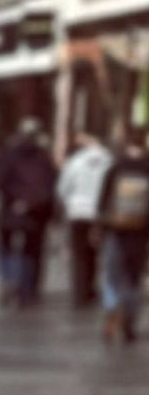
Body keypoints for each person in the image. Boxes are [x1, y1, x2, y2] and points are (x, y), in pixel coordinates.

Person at [0, 118, 59, 306]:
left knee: (8, 248)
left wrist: (15, 199)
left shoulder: (9, 155)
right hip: (34, 213)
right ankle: (25, 287)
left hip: (12, 212)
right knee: (30, 251)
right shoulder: (43, 158)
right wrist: (34, 203)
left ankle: (8, 281)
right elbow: (52, 184)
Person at [97, 130, 149, 342]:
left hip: (116, 230)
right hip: (141, 233)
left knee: (113, 275)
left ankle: (112, 309)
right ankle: (130, 316)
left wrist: (100, 227)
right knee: (134, 277)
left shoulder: (115, 167)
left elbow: (102, 201)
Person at [56, 131, 114, 308]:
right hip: (100, 214)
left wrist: (67, 205)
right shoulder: (110, 161)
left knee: (79, 254)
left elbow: (63, 188)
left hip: (78, 212)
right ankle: (90, 288)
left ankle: (80, 292)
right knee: (95, 253)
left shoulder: (76, 162)